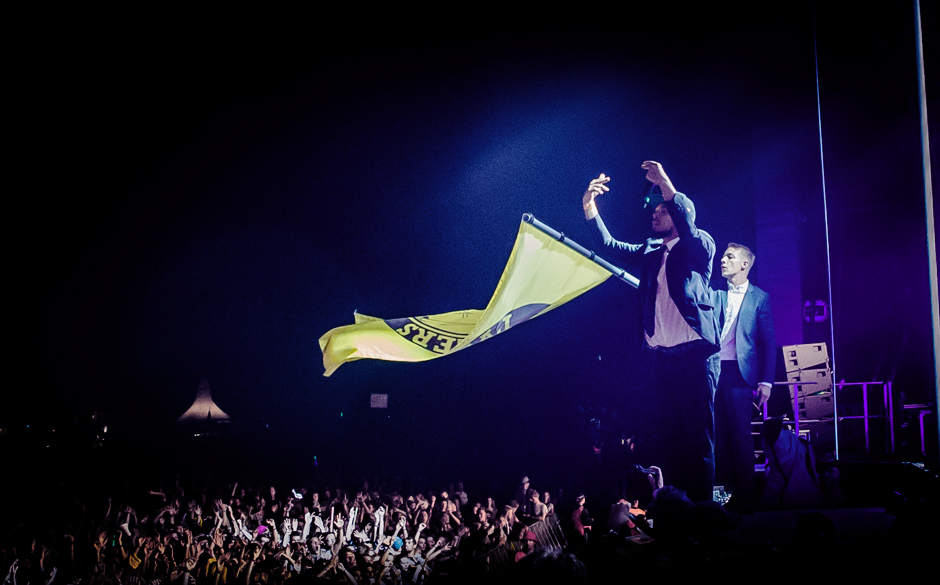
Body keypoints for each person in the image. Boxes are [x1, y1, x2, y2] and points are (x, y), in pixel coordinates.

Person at [583, 161, 720, 503]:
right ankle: (677, 504)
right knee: (670, 436)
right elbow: (610, 246)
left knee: (698, 438)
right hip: (663, 359)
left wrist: (666, 184)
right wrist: (589, 207)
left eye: (663, 210)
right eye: (656, 209)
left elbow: (688, 227)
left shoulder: (698, 246)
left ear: (680, 214)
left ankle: (702, 507)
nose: (655, 214)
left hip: (695, 357)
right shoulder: (650, 251)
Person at [714, 243, 776, 510]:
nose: (723, 261)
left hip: (741, 373)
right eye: (723, 256)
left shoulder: (759, 297)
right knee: (717, 438)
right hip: (714, 370)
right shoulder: (715, 292)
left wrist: (766, 381)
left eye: (730, 257)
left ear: (744, 265)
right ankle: (719, 501)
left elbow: (769, 342)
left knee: (739, 437)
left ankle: (745, 501)